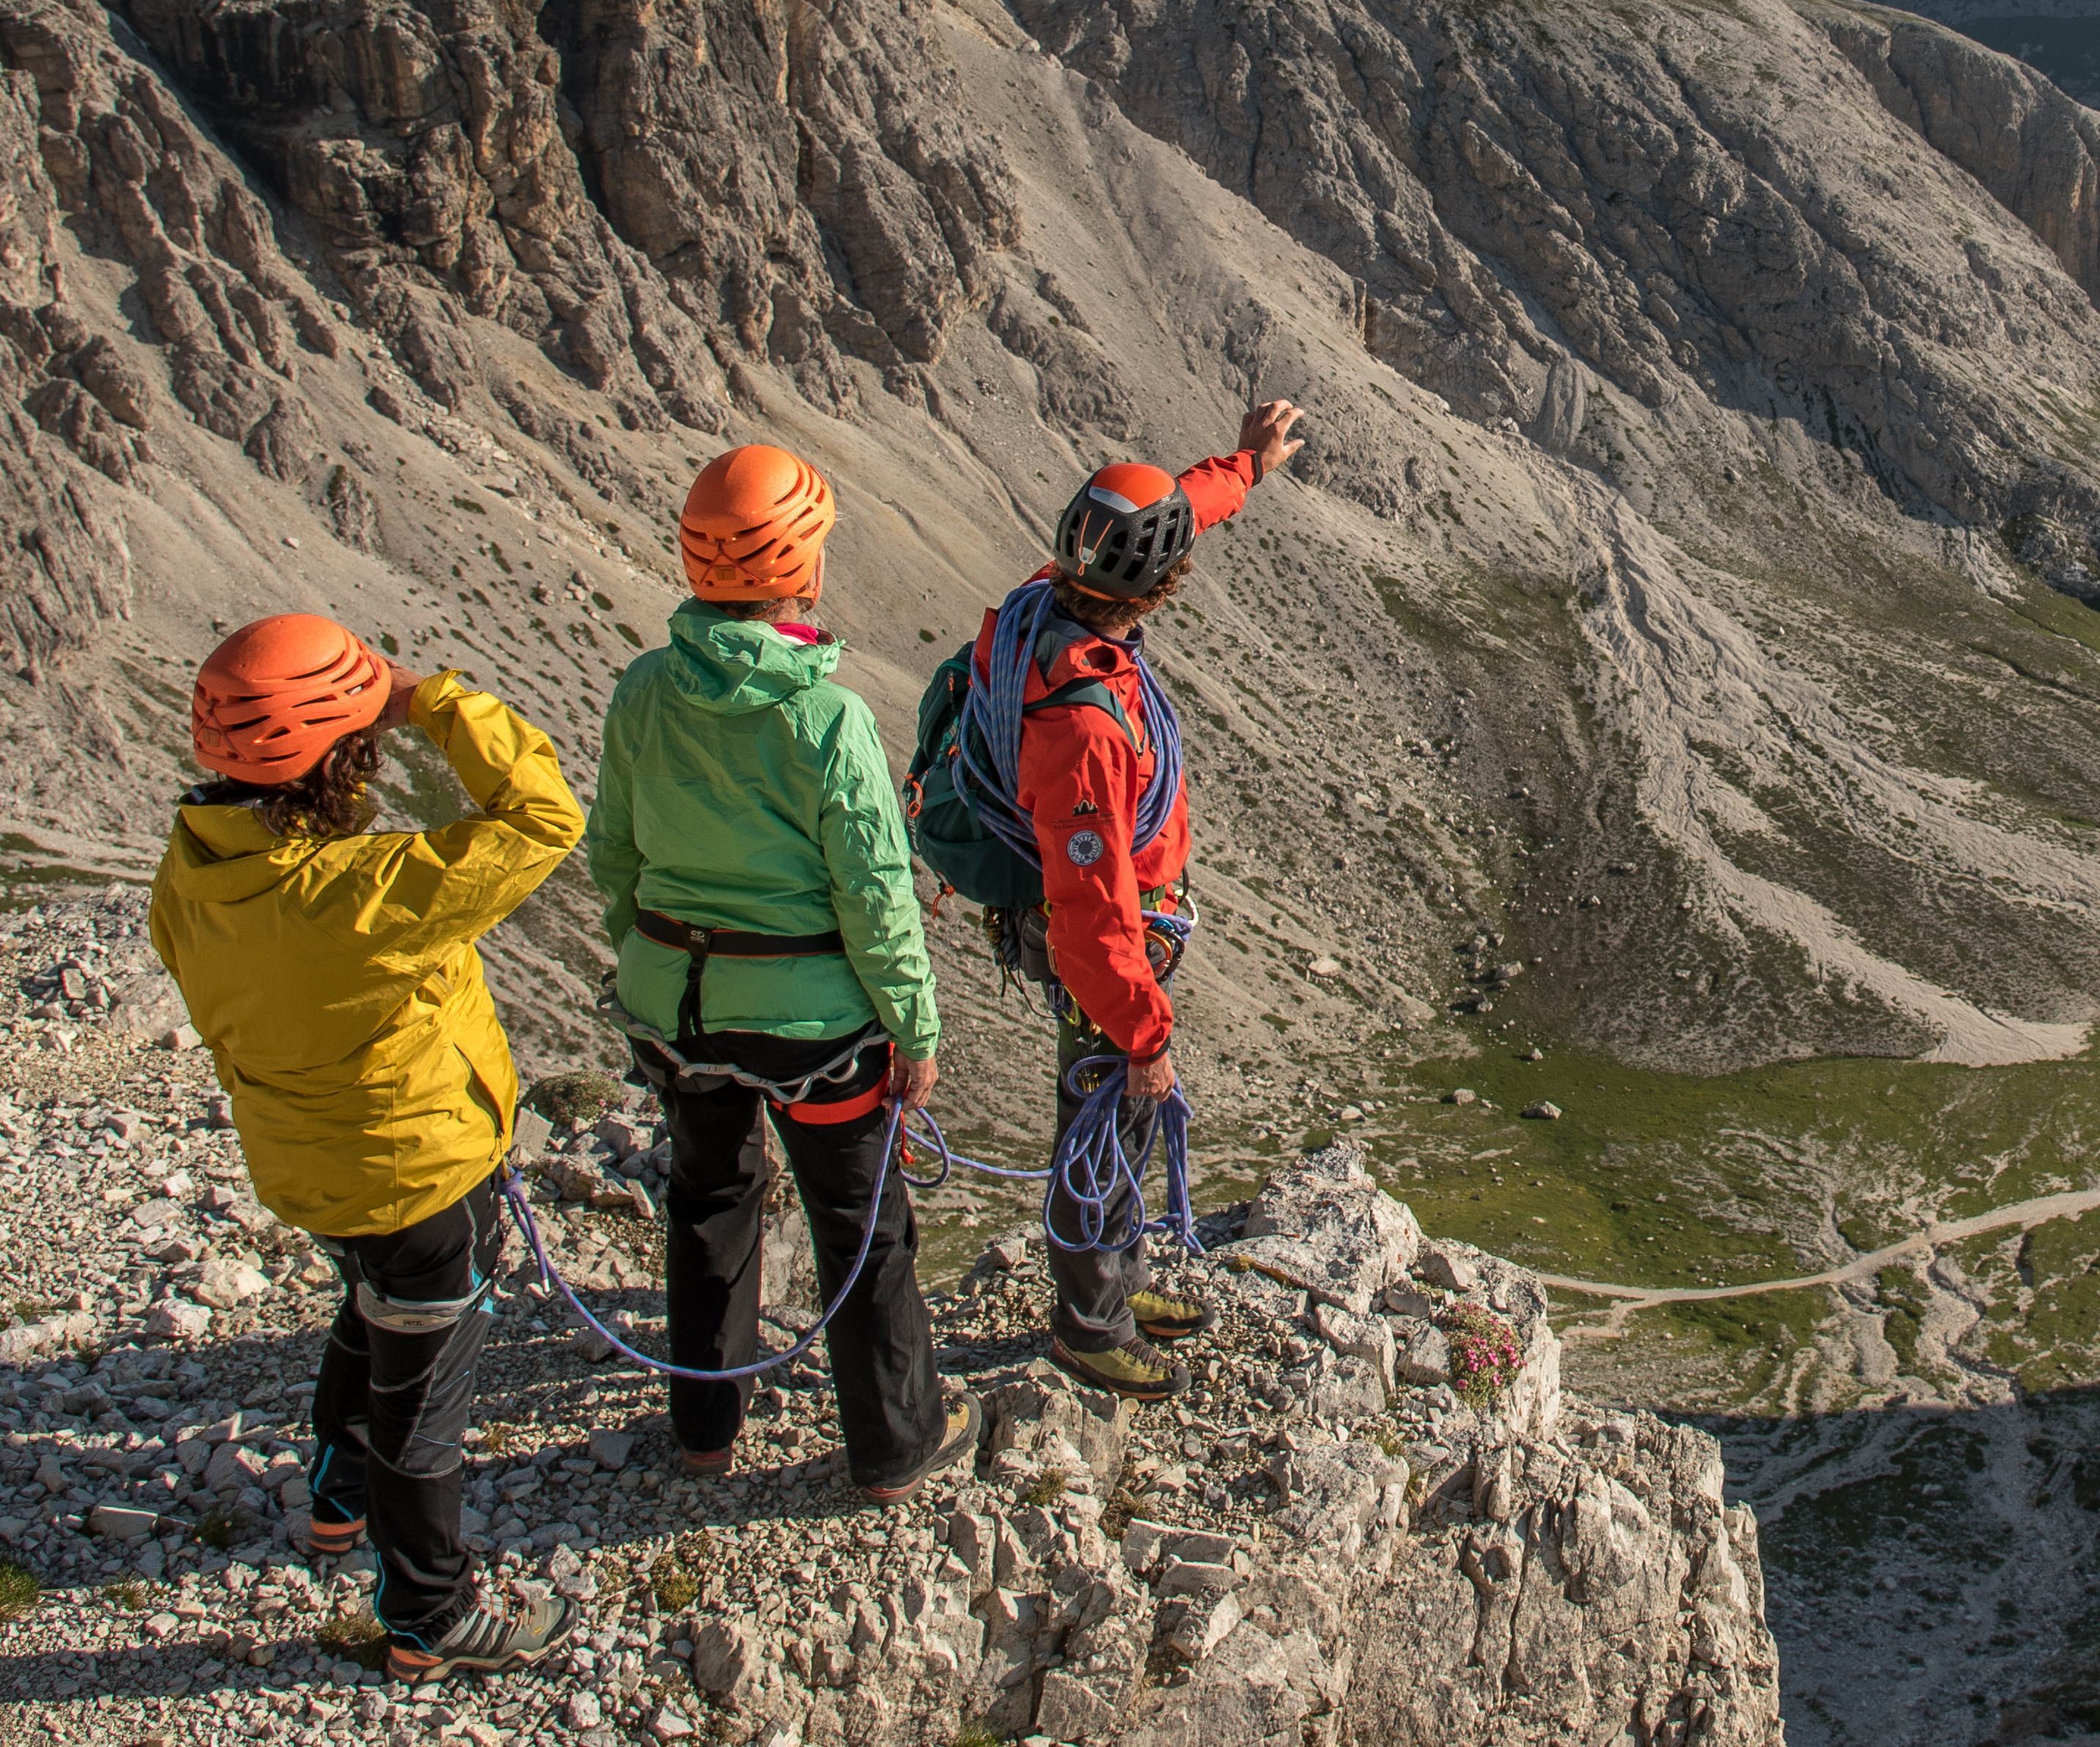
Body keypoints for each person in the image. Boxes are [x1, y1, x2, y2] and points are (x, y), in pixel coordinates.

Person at [147, 614, 583, 1685]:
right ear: (336, 760)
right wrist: (428, 697)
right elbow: (542, 815)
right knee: (424, 1390)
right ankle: (429, 1610)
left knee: (369, 1305)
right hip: (423, 1174)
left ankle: (338, 1497)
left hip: (309, 1169)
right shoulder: (361, 893)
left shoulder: (191, 881)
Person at [588, 442, 952, 1500]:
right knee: (859, 1224)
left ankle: (706, 1426)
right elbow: (877, 896)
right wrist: (913, 1029)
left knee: (708, 1197)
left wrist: (650, 963)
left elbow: (615, 851)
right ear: (803, 567)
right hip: (817, 1038)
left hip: (680, 1016)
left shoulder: (644, 691)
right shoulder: (826, 718)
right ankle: (894, 1444)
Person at [962, 398, 1304, 1399]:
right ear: (1153, 588)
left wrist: (1247, 463)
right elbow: (1091, 908)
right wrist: (1148, 1033)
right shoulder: (1084, 724)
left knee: (1117, 1122)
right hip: (1103, 958)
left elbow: (1180, 511)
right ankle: (1088, 1321)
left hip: (1108, 939)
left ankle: (1119, 1277)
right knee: (1102, 1115)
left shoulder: (1044, 598)